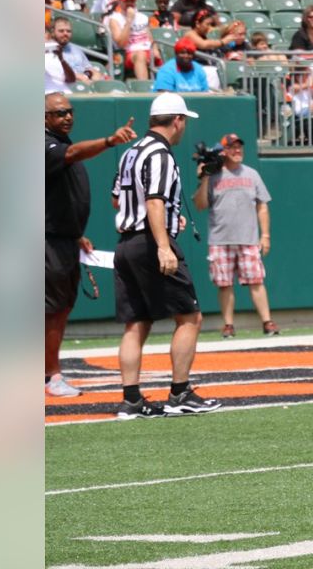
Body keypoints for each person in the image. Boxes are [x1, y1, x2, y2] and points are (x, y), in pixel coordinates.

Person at [110, 92, 220, 418]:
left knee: (136, 323)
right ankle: (180, 393)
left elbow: (119, 200)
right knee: (190, 316)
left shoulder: (130, 152)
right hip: (149, 243)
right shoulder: (160, 154)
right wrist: (163, 242)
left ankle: (131, 400)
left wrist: (171, 218)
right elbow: (155, 201)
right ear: (178, 120)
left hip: (126, 242)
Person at [45, 94, 137, 397]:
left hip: (62, 240)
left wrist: (75, 234)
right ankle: (50, 376)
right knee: (52, 310)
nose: (67, 117)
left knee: (60, 308)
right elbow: (71, 153)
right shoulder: (45, 144)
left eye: (69, 111)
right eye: (59, 113)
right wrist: (110, 140)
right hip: (48, 242)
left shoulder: (59, 143)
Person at [192, 133, 277, 338]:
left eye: (239, 147)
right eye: (232, 147)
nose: (237, 151)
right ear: (223, 151)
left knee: (256, 281)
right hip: (220, 240)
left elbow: (262, 206)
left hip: (248, 238)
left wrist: (265, 235)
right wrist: (204, 178)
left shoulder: (252, 174)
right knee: (224, 284)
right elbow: (200, 205)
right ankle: (228, 325)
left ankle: (267, 322)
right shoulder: (214, 176)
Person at [106, 0, 154, 80]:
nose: (129, 3)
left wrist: (155, 50)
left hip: (148, 50)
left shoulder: (143, 17)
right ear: (120, 1)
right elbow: (121, 44)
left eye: (131, 0)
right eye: (126, 0)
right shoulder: (115, 19)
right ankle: (145, 89)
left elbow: (150, 38)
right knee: (140, 55)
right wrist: (129, 21)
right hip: (129, 53)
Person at [48, 17, 105, 83]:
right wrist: (77, 76)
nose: (65, 33)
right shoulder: (48, 50)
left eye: (68, 31)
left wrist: (93, 74)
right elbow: (54, 74)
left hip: (84, 83)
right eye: (61, 31)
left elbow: (88, 69)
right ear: (53, 32)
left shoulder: (76, 49)